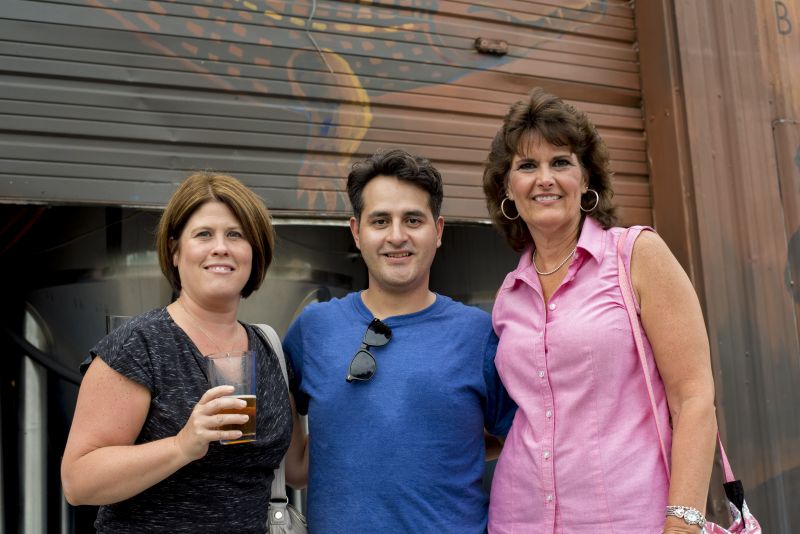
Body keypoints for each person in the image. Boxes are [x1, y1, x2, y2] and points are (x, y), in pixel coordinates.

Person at [481, 87, 718, 533]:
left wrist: (684, 522)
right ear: (508, 189)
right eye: (527, 166)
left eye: (561, 162)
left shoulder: (637, 256)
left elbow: (694, 399)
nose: (544, 178)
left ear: (587, 179)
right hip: (518, 519)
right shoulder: (509, 295)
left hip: (628, 519)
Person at [282, 148, 516, 533]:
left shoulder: (479, 334)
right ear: (357, 232)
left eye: (412, 219)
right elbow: (296, 468)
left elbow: (520, 441)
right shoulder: (313, 330)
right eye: (380, 221)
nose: (396, 236)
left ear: (438, 231)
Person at [61, 172, 307, 532]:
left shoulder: (269, 348)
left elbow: (297, 468)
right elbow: (78, 483)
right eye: (204, 234)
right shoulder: (140, 344)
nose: (220, 247)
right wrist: (182, 445)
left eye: (235, 235)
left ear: (254, 252)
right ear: (176, 251)